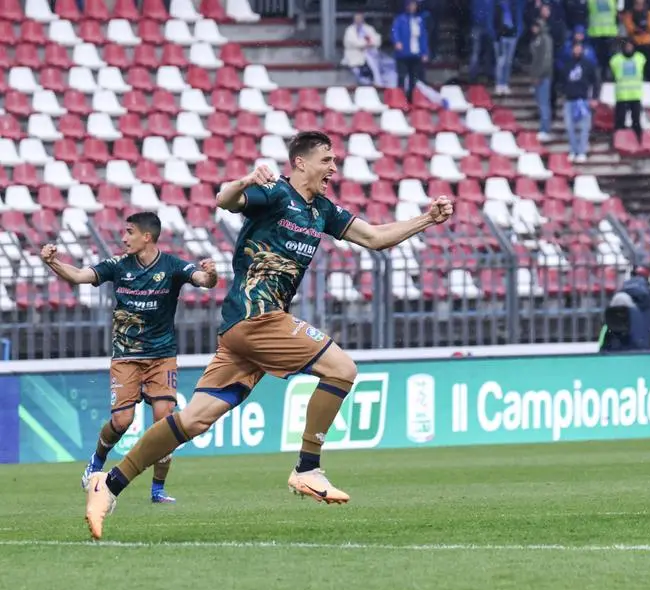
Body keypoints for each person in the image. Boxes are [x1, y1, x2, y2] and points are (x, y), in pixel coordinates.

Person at [84, 131, 455, 539]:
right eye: (327, 159)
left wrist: (427, 219)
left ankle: (110, 483)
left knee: (193, 419)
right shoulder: (275, 193)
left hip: (245, 331)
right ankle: (308, 468)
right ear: (301, 163)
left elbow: (375, 238)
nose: (334, 167)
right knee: (342, 369)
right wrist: (246, 180)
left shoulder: (321, 211)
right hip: (255, 317)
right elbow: (225, 200)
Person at [40, 212, 218, 504]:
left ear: (146, 236)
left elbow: (203, 280)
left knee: (165, 423)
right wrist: (52, 262)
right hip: (126, 357)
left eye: (129, 232)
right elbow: (80, 275)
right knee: (122, 421)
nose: (123, 238)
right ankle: (97, 462)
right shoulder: (118, 266)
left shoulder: (172, 266)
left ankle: (157, 490)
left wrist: (211, 274)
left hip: (162, 357)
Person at [561, 40, 598, 163]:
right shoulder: (567, 64)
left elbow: (596, 82)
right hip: (569, 100)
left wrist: (594, 97)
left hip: (582, 100)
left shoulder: (588, 64)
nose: (577, 50)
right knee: (569, 127)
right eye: (575, 48)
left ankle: (582, 151)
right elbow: (561, 81)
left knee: (584, 127)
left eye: (579, 48)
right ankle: (573, 150)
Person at [392, 1, 430, 102]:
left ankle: (411, 99)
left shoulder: (419, 20)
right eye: (411, 5)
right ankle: (399, 98)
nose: (413, 7)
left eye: (414, 5)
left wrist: (425, 52)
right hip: (403, 54)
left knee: (414, 78)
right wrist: (397, 42)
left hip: (415, 53)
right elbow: (395, 31)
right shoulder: (400, 19)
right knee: (402, 77)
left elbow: (423, 37)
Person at [610, 39, 645, 142]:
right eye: (627, 47)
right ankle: (618, 141)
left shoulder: (640, 58)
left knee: (636, 121)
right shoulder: (616, 60)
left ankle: (639, 141)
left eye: (630, 46)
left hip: (635, 95)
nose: (629, 49)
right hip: (622, 95)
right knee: (619, 121)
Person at [342, 12, 384, 86]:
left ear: (362, 19)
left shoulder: (369, 29)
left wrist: (368, 44)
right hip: (354, 54)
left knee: (373, 63)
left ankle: (376, 82)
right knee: (356, 70)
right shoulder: (349, 30)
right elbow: (352, 42)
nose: (358, 20)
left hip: (368, 53)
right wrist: (364, 44)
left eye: (360, 18)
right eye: (356, 18)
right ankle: (363, 81)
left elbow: (376, 40)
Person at [529, 19, 554, 141]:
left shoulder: (546, 39)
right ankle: (543, 128)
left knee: (544, 103)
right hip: (537, 76)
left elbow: (546, 60)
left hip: (544, 77)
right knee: (540, 103)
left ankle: (545, 129)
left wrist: (539, 75)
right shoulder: (536, 39)